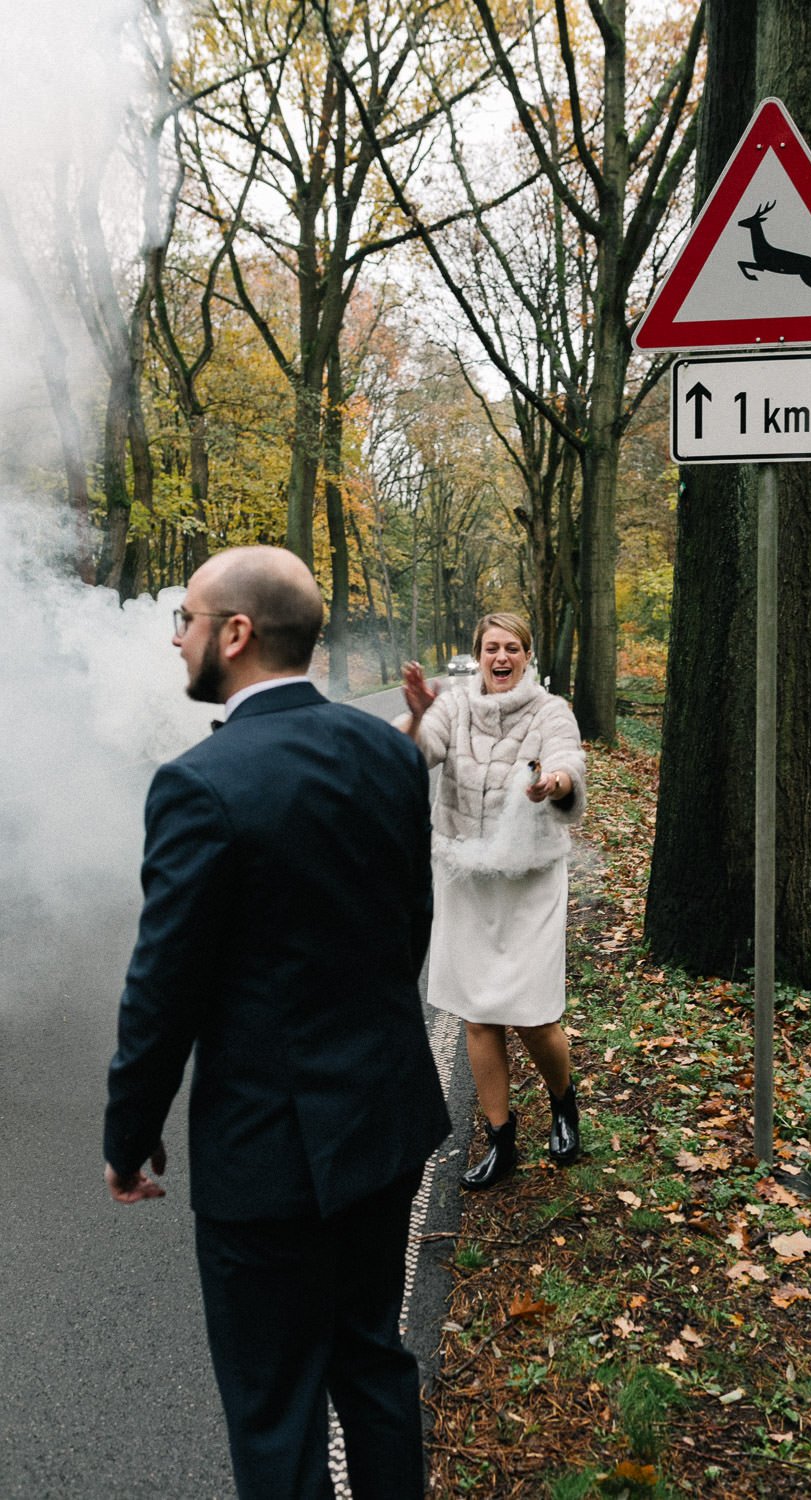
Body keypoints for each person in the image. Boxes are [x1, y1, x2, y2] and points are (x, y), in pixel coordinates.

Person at [103, 545, 450, 1500]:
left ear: (237, 633)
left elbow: (161, 991)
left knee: (275, 1407)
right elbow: (407, 930)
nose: (178, 638)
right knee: (373, 1366)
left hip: (268, 1154)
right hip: (385, 1124)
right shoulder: (388, 749)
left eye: (187, 618)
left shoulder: (200, 782)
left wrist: (129, 1137)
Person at [399, 612, 585, 1190]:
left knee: (532, 1015)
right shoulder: (453, 707)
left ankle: (563, 1104)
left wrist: (552, 783)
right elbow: (416, 756)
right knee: (479, 1013)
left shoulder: (550, 710)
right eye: (490, 649)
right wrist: (416, 716)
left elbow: (567, 763)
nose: (500, 658)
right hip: (465, 875)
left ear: (527, 656)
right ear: (477, 655)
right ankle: (501, 1139)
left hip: (529, 880)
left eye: (511, 649)